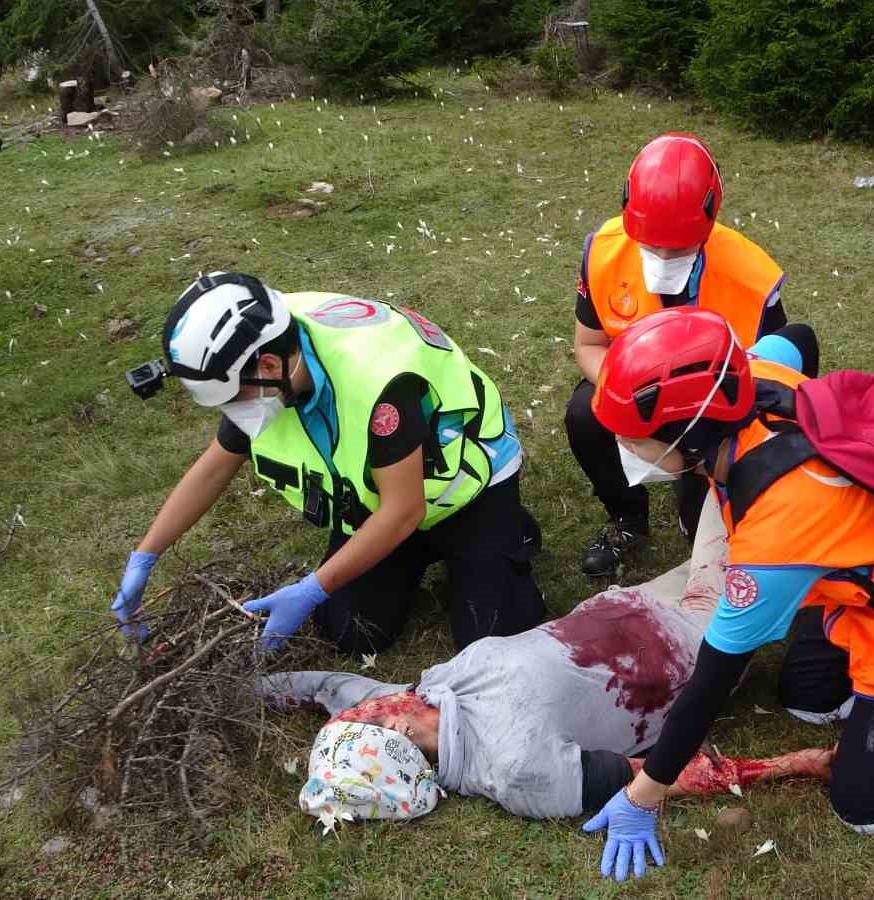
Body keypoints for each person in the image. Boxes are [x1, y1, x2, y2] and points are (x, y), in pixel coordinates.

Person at [581, 308, 874, 881]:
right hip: (870, 575)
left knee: (868, 807)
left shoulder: (779, 531)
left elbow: (712, 678)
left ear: (692, 436)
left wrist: (644, 795)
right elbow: (797, 338)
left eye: (635, 438)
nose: (628, 448)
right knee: (808, 702)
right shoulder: (747, 377)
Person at [259, 491, 834, 826]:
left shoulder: (424, 705)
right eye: (374, 716)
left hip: (639, 601)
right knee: (758, 495)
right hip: (701, 634)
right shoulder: (516, 771)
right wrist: (792, 764)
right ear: (399, 728)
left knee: (744, 490)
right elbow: (660, 776)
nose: (370, 703)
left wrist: (234, 687)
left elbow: (328, 687)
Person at [111, 272, 545, 653]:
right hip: (381, 500)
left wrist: (310, 589)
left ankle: (507, 535)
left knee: (494, 642)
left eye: (232, 398)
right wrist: (145, 557)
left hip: (466, 493)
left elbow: (404, 510)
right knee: (352, 633)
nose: (233, 413)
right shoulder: (265, 354)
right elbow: (213, 468)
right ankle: (423, 557)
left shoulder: (377, 379)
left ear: (268, 364)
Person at [566, 132, 790, 576]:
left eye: (680, 248)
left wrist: (696, 445)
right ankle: (626, 517)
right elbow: (589, 344)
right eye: (651, 246)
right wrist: (625, 399)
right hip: (637, 389)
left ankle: (706, 499)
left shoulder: (751, 277)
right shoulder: (606, 251)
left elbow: (773, 379)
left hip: (715, 406)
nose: (663, 258)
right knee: (583, 415)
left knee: (700, 529)